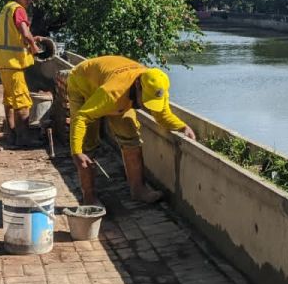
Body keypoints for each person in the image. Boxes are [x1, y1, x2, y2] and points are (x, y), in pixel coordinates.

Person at [67, 56, 197, 205]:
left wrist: (183, 127)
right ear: (137, 85)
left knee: (131, 137)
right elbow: (81, 117)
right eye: (146, 101)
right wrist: (76, 152)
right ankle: (89, 197)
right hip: (81, 82)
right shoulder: (112, 93)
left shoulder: (157, 86)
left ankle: (138, 191)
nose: (148, 107)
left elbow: (162, 115)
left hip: (114, 88)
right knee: (86, 144)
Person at [0, 0, 42, 148]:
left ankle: (10, 132)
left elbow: (14, 34)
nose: (29, 1)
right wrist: (34, 46)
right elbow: (23, 29)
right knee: (22, 100)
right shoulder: (18, 9)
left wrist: (28, 40)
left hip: (3, 61)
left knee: (9, 98)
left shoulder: (7, 8)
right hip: (13, 63)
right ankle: (23, 139)